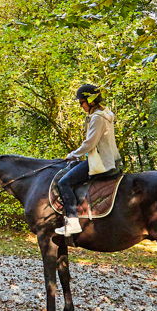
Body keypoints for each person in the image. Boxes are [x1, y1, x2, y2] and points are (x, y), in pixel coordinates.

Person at [55, 84, 119, 236]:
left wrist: (73, 154)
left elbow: (90, 143)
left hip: (102, 162)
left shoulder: (97, 118)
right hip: (110, 159)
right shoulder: (105, 113)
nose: (80, 105)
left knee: (64, 183)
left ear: (90, 101)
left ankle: (72, 223)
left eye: (81, 102)